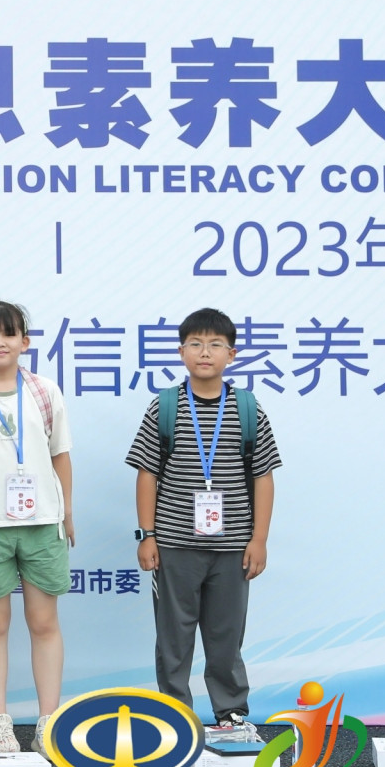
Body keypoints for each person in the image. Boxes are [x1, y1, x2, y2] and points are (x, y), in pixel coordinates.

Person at [125, 307, 283, 741]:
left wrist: (259, 539)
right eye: (195, 344)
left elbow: (263, 476)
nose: (205, 352)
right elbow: (147, 473)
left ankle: (230, 712)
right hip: (174, 544)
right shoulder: (165, 407)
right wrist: (147, 535)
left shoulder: (248, 408)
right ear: (181, 352)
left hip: (233, 547)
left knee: (226, 635)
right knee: (173, 636)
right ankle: (175, 712)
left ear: (232, 354)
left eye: (215, 344)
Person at [0, 300, 73, 754]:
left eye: (9, 333)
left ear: (25, 342)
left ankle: (48, 723)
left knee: (44, 623)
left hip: (43, 521)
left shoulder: (45, 391)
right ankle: (0, 724)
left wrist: (66, 512)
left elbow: (60, 454)